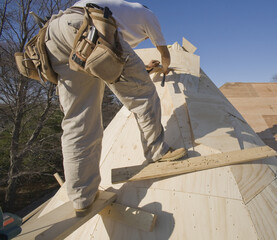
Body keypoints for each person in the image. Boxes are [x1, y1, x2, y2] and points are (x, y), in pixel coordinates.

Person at [44, 0, 187, 216]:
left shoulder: (121, 12)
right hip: (86, 28)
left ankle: (83, 197)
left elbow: (115, 59)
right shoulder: (147, 14)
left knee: (78, 120)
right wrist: (164, 67)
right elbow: (164, 54)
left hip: (53, 35)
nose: (146, 38)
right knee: (143, 93)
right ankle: (157, 150)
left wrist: (143, 68)